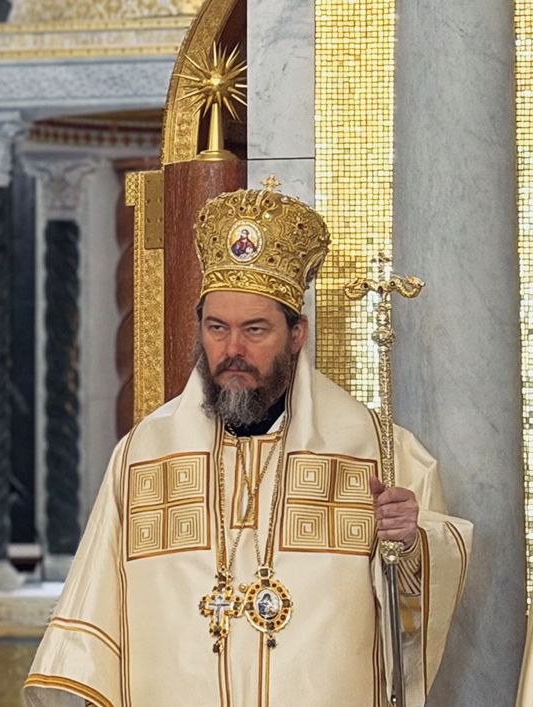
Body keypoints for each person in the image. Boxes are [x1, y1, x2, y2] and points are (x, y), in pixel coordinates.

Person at [25, 185, 472, 706]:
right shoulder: (145, 454)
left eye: (255, 330)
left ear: (297, 334)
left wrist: (410, 543)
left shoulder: (375, 450)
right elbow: (93, 622)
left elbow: (415, 619)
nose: (232, 349)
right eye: (217, 328)